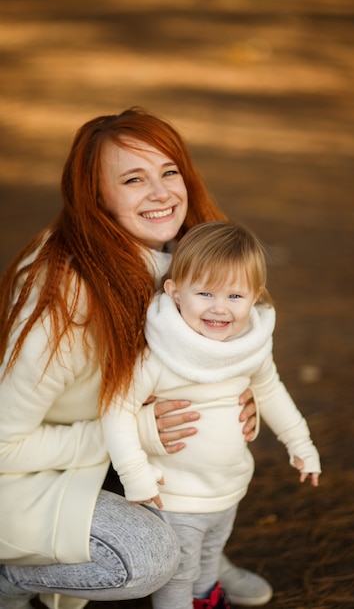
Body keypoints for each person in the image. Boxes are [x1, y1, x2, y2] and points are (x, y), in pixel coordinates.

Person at [0, 108, 272, 609]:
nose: (162, 192)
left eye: (169, 171)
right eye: (133, 179)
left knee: (218, 453)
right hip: (33, 477)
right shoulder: (63, 299)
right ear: (95, 196)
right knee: (148, 558)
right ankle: (9, 579)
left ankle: (202, 553)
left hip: (114, 457)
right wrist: (134, 433)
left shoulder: (187, 254)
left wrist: (232, 389)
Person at [102, 221, 322, 609]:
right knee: (178, 577)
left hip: (228, 489)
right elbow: (116, 408)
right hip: (175, 493)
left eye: (235, 295)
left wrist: (299, 441)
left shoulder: (249, 347)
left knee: (207, 565)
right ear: (174, 293)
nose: (220, 307)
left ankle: (208, 599)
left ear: (255, 297)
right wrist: (134, 472)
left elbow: (270, 389)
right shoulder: (159, 353)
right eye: (205, 292)